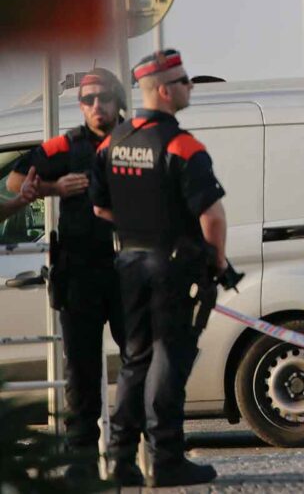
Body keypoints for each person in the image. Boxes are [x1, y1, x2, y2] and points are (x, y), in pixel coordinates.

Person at [90, 49, 234, 487]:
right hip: (172, 266)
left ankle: (119, 460)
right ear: (166, 91)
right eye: (186, 81)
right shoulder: (182, 145)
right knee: (170, 357)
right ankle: (166, 458)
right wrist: (216, 261)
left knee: (135, 358)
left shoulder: (110, 143)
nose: (191, 87)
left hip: (129, 262)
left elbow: (99, 208)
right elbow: (213, 216)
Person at [6, 68, 128, 481]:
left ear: (118, 100)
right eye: (89, 99)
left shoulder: (139, 139)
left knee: (139, 362)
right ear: (81, 105)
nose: (97, 105)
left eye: (104, 97)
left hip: (131, 268)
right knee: (81, 366)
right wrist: (58, 188)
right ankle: (81, 461)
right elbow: (18, 179)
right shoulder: (66, 144)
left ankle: (129, 454)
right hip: (80, 270)